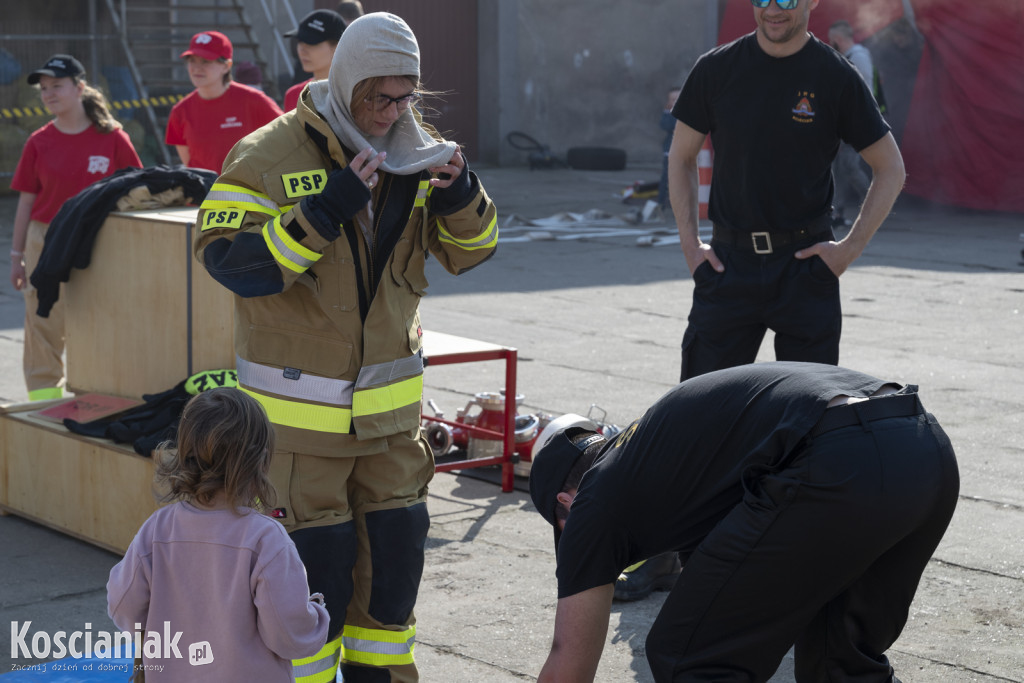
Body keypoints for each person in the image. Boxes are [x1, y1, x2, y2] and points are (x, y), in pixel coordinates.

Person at [193, 12, 498, 683]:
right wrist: (320, 214)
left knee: (391, 586)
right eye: (378, 97)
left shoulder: (420, 153)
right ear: (348, 80)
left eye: (405, 97)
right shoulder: (265, 156)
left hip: (391, 431)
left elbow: (474, 252)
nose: (392, 112)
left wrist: (462, 194)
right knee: (311, 590)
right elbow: (226, 261)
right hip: (300, 439)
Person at [529, 361, 959, 683]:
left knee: (690, 659)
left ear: (567, 501)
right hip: (924, 449)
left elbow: (570, 662)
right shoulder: (661, 458)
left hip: (840, 461)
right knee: (840, 663)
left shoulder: (594, 500)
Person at [668, 0, 906, 382]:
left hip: (806, 270)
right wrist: (690, 246)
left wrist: (848, 250)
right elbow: (681, 159)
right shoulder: (716, 68)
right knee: (701, 415)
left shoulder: (836, 75)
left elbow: (891, 168)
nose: (773, 9)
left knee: (807, 423)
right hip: (728, 267)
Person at [107, 387, 330, 682]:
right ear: (261, 461)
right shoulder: (266, 540)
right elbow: (289, 635)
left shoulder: (158, 529)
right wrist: (316, 615)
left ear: (184, 455)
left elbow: (123, 605)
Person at [9, 54, 142, 401]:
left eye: (57, 86)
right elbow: (26, 201)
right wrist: (16, 255)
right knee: (43, 322)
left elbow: (137, 190)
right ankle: (44, 404)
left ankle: (92, 399)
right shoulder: (38, 141)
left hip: (98, 239)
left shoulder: (113, 138)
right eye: (44, 88)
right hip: (45, 239)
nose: (49, 94)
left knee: (95, 319)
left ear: (80, 88)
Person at [165, 31, 282, 172]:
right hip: (206, 192)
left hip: (249, 191)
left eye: (205, 61)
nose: (196, 68)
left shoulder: (254, 100)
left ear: (226, 66)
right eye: (192, 60)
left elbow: (286, 139)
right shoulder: (180, 111)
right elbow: (191, 165)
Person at [829, 19, 878, 227]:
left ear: (839, 39)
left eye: (832, 40)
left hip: (855, 122)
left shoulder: (858, 57)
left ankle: (874, 206)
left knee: (849, 166)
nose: (831, 43)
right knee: (838, 168)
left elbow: (865, 91)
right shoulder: (848, 57)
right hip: (843, 122)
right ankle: (836, 213)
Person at [283, 9, 345, 112]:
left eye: (311, 42)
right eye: (300, 41)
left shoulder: (356, 93)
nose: (302, 50)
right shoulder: (294, 94)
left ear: (337, 48)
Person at [656, 87, 682, 213]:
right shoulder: (668, 113)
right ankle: (660, 204)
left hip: (688, 152)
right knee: (666, 179)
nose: (676, 102)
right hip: (670, 151)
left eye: (679, 99)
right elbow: (667, 125)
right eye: (673, 99)